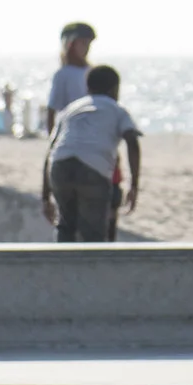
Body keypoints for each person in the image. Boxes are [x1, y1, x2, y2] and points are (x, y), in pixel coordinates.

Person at [44, 65, 140, 243]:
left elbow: (52, 149)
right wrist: (134, 185)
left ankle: (63, 259)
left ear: (87, 87)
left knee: (66, 226)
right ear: (115, 89)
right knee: (93, 233)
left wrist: (45, 196)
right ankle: (92, 261)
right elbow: (132, 142)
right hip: (93, 168)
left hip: (60, 165)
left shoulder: (71, 109)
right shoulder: (117, 110)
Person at [43, 22, 97, 135]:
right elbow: (52, 110)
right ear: (70, 44)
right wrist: (52, 138)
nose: (87, 48)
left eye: (88, 44)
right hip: (71, 133)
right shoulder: (62, 74)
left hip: (93, 131)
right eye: (83, 43)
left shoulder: (93, 72)